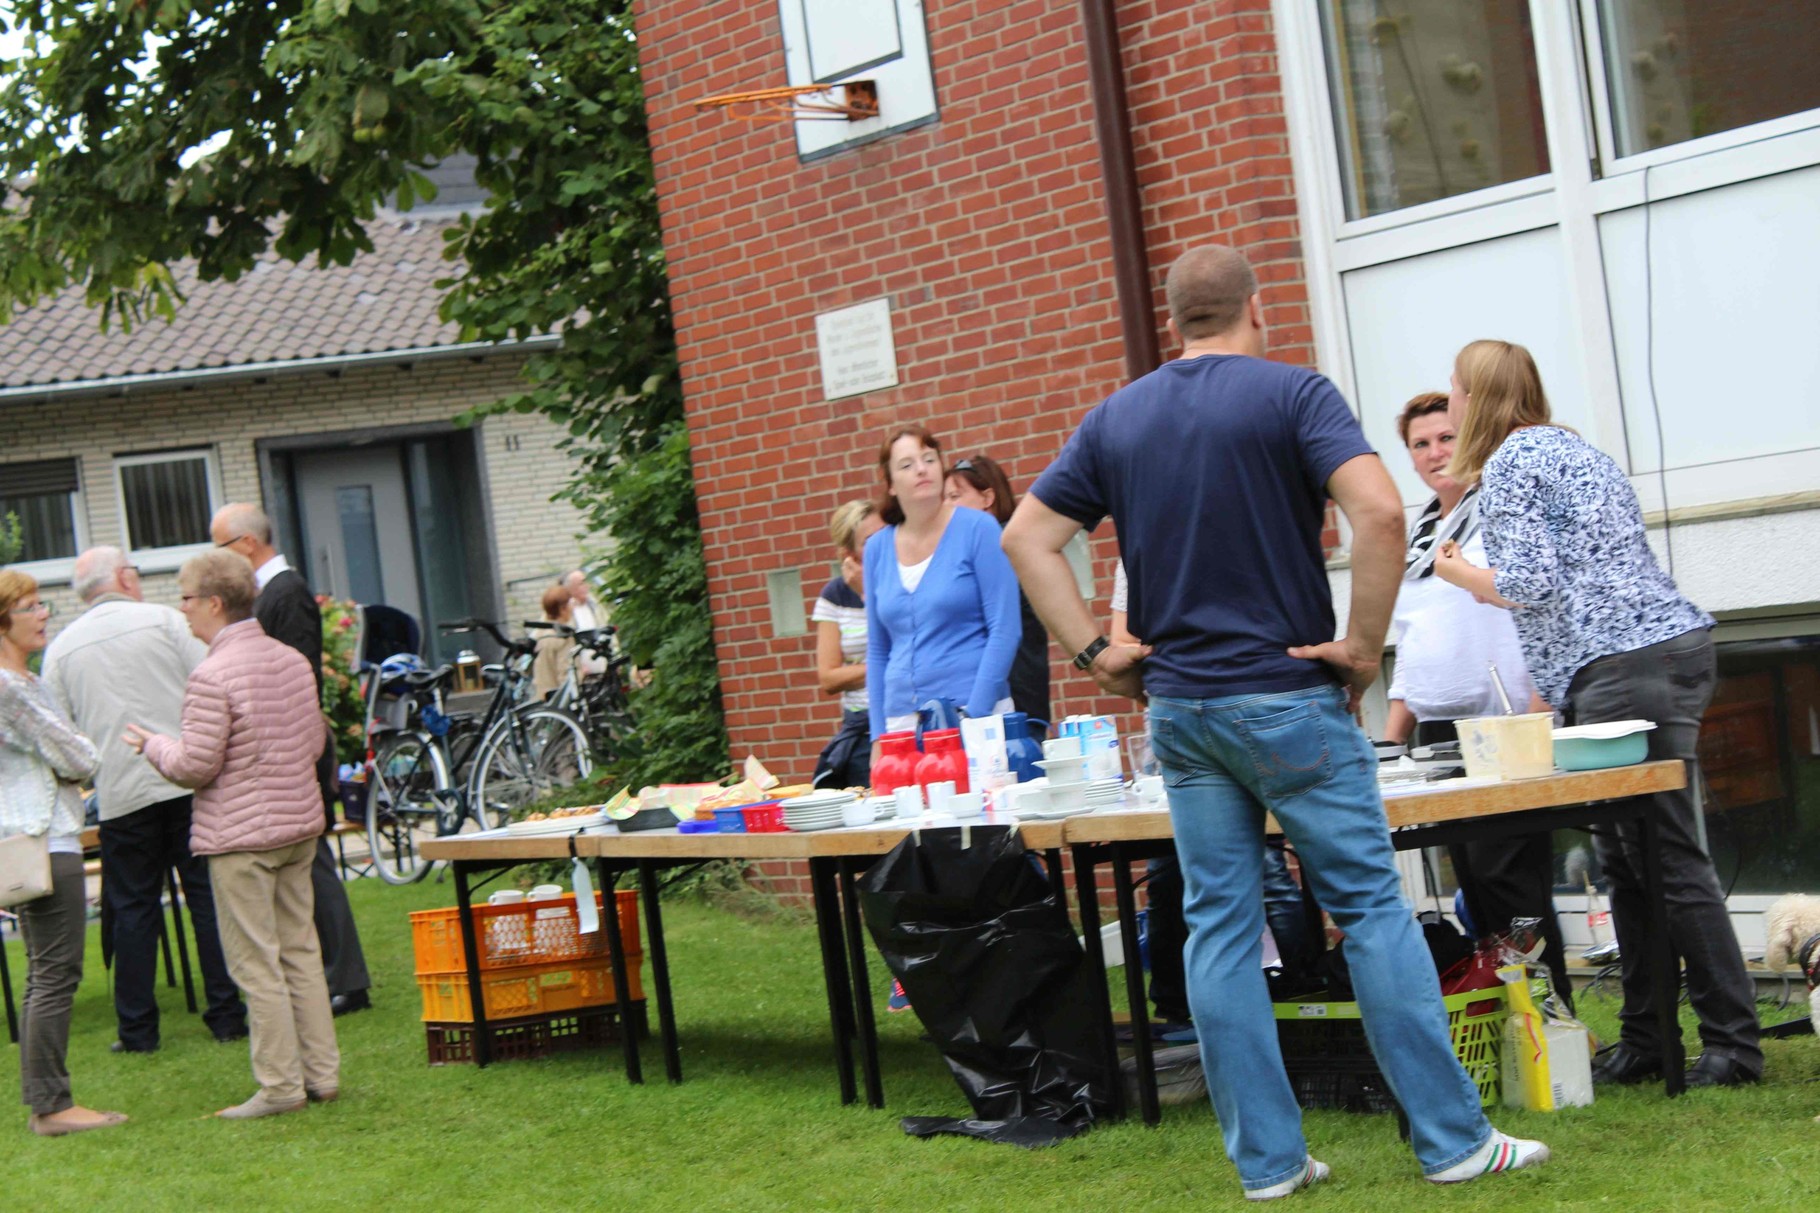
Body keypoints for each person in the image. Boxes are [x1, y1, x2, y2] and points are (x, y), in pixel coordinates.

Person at [1004, 244, 1545, 1198]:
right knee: (1373, 910)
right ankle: (1455, 1142)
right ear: (1256, 308)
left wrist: (1096, 656)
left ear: (1176, 320)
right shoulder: (1295, 394)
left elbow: (1028, 536)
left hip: (1182, 708)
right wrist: (1364, 648)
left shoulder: (1118, 416)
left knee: (1217, 927)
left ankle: (1269, 1163)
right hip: (1288, 696)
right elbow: (1380, 514)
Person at [1432, 338, 1760, 1088]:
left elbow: (1531, 581)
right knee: (1633, 856)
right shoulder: (1573, 449)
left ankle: (1733, 1045)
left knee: (1664, 856)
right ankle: (1648, 1038)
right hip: (1660, 651)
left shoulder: (1511, 463)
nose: (1449, 405)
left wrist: (1458, 573)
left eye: (1454, 390)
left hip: (1621, 664)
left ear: (1479, 396)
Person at [126, 549, 341, 1119]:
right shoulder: (293, 661)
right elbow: (314, 743)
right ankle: (323, 1076)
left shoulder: (211, 674)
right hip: (298, 827)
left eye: (187, 598)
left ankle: (280, 1088)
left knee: (256, 964)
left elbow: (195, 764)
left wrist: (151, 744)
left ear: (215, 603)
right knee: (300, 952)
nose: (183, 610)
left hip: (241, 840)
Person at [1381, 392, 1571, 1006]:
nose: (1436, 453)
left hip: (1505, 727)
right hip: (1438, 734)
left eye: (1445, 437)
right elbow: (1412, 646)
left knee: (1511, 880)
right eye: (1420, 443)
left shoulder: (1499, 512)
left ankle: (1549, 1015)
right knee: (1475, 886)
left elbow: (1544, 604)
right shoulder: (1419, 536)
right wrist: (1390, 739)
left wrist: (1541, 709)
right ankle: (1507, 1023)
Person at [41, 546, 248, 1052]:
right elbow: (214, 677)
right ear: (125, 578)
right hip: (185, 778)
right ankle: (226, 1014)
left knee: (133, 907)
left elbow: (59, 730)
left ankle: (137, 1030)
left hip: (120, 791)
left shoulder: (62, 650)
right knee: (205, 897)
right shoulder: (165, 621)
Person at [211, 503, 372, 1016]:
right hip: (284, 748)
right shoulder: (273, 593)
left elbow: (298, 679)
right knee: (306, 862)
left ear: (246, 545)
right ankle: (330, 973)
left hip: (294, 749)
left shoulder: (286, 593)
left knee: (315, 861)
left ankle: (346, 977)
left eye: (218, 546)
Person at [0, 570, 128, 1138]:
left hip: (38, 839)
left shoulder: (24, 680)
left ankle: (48, 1102)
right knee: (55, 975)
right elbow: (80, 756)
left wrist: (71, 759)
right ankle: (52, 1107)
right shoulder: (10, 688)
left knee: (44, 975)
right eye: (29, 606)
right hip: (42, 841)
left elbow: (68, 754)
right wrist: (76, 760)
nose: (42, 613)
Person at [864, 426, 1022, 750]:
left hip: (975, 714)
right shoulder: (876, 549)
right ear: (891, 484)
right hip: (901, 724)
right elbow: (878, 650)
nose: (921, 469)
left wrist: (972, 716)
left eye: (929, 459)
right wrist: (879, 737)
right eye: (906, 465)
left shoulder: (979, 529)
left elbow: (1005, 629)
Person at [944, 454, 1052, 734]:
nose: (947, 506)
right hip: (1011, 700)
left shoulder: (1004, 546)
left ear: (987, 497)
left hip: (1011, 704)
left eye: (955, 495)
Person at [810, 501, 883, 789]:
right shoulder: (834, 596)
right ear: (849, 554)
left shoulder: (906, 579)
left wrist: (856, 670)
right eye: (869, 540)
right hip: (860, 727)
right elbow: (828, 677)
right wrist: (884, 665)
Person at [532, 582, 579, 701]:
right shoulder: (563, 638)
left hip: (542, 698)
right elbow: (566, 675)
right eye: (570, 603)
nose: (573, 607)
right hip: (559, 700)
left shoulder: (539, 635)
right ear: (562, 609)